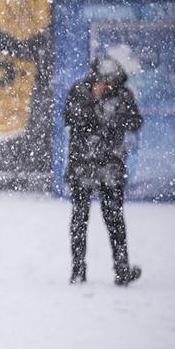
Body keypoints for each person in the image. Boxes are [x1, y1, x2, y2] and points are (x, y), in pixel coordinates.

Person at [64, 57, 143, 286]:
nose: (107, 86)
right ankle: (78, 270)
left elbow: (135, 121)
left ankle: (121, 270)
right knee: (80, 218)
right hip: (83, 165)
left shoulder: (123, 95)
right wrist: (93, 101)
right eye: (103, 82)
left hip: (111, 165)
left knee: (115, 219)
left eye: (111, 82)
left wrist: (114, 114)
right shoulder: (80, 91)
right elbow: (71, 118)